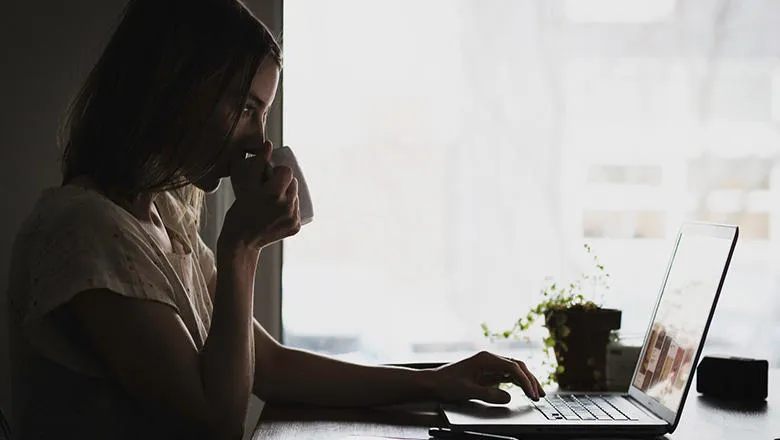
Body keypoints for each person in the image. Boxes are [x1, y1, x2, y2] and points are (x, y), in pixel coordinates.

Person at [6, 0, 545, 438]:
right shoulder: (84, 231)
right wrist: (241, 249)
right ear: (174, 91)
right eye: (245, 107)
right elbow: (215, 423)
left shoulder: (163, 220)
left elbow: (272, 366)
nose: (261, 139)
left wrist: (436, 380)